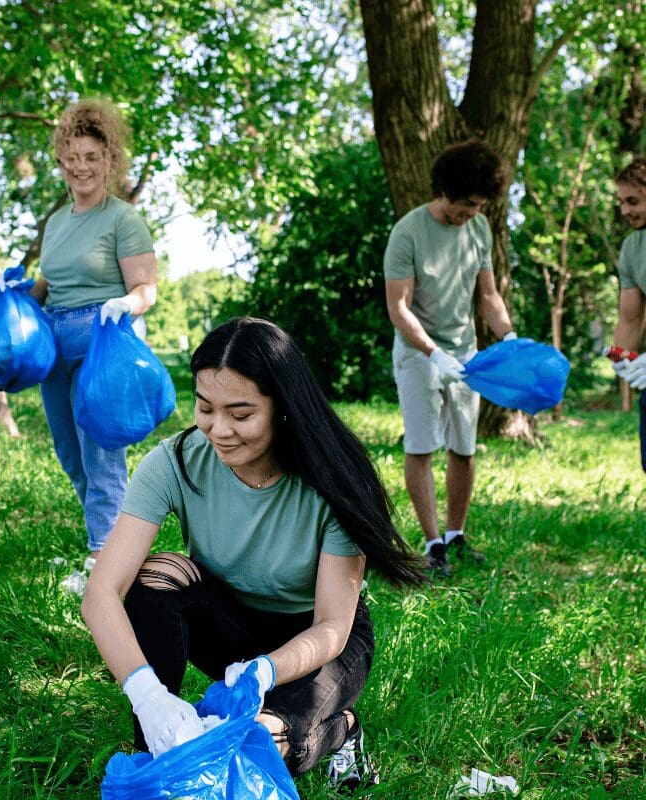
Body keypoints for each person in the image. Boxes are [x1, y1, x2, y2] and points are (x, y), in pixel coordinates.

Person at [81, 317, 426, 790]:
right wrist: (146, 694)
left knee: (262, 743)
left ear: (282, 408)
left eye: (241, 415)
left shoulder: (334, 480)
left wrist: (267, 670)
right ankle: (160, 755)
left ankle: (342, 730)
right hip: (232, 626)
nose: (218, 429)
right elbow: (101, 592)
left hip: (319, 641)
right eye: (205, 408)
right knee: (158, 574)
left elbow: (331, 626)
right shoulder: (174, 462)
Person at [23, 98, 157, 585]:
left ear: (111, 161)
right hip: (54, 346)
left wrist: (126, 305)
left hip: (102, 342)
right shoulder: (57, 222)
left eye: (92, 157)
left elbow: (146, 288)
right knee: (71, 454)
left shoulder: (124, 219)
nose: (81, 167)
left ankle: (106, 568)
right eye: (71, 157)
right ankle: (103, 543)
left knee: (102, 455)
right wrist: (18, 292)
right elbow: (48, 284)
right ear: (60, 160)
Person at [384, 140, 516, 576]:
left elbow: (489, 296)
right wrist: (433, 353)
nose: (469, 214)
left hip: (466, 353)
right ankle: (433, 543)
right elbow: (399, 308)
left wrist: (509, 337)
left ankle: (457, 535)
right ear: (443, 191)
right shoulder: (408, 232)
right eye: (463, 205)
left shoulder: (478, 230)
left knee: (464, 446)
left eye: (477, 206)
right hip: (419, 351)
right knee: (421, 445)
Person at [606, 157, 646, 472]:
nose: (624, 211)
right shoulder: (632, 248)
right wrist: (621, 357)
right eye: (621, 202)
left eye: (632, 201)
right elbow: (630, 318)